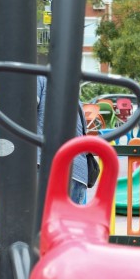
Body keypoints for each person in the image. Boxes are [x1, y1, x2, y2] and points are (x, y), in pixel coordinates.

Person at [37, 75, 88, 204]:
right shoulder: (71, 95)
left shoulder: (36, 79)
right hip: (78, 172)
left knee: (34, 221)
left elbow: (20, 115)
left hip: (47, 166)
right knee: (67, 222)